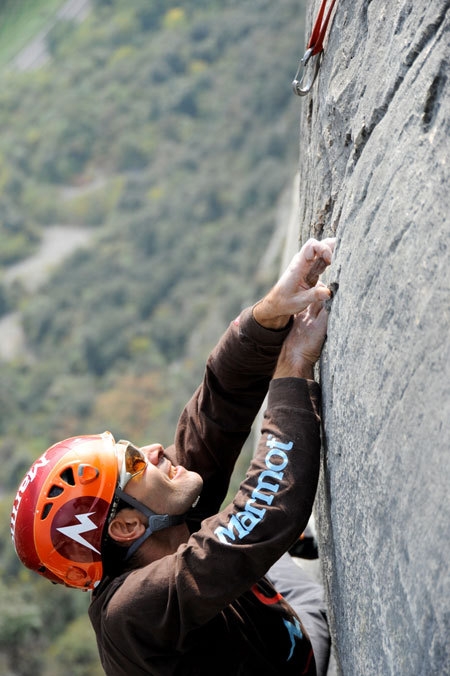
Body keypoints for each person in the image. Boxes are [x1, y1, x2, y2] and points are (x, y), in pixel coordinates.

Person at [11, 237, 336, 676]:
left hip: (277, 627)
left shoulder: (158, 518)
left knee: (236, 539)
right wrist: (293, 369)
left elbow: (215, 411)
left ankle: (282, 552)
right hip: (300, 652)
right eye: (133, 464)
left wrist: (270, 314)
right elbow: (266, 515)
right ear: (126, 525)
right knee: (247, 536)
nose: (154, 450)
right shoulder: (130, 619)